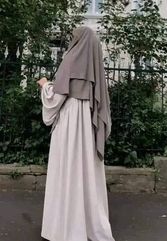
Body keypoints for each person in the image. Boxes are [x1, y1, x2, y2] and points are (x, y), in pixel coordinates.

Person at [37, 26, 115, 241]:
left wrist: (44, 86)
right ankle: (88, 224)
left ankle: (65, 226)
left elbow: (57, 97)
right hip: (86, 120)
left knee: (67, 167)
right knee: (85, 169)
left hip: (71, 119)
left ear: (78, 41)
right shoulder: (94, 65)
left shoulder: (70, 59)